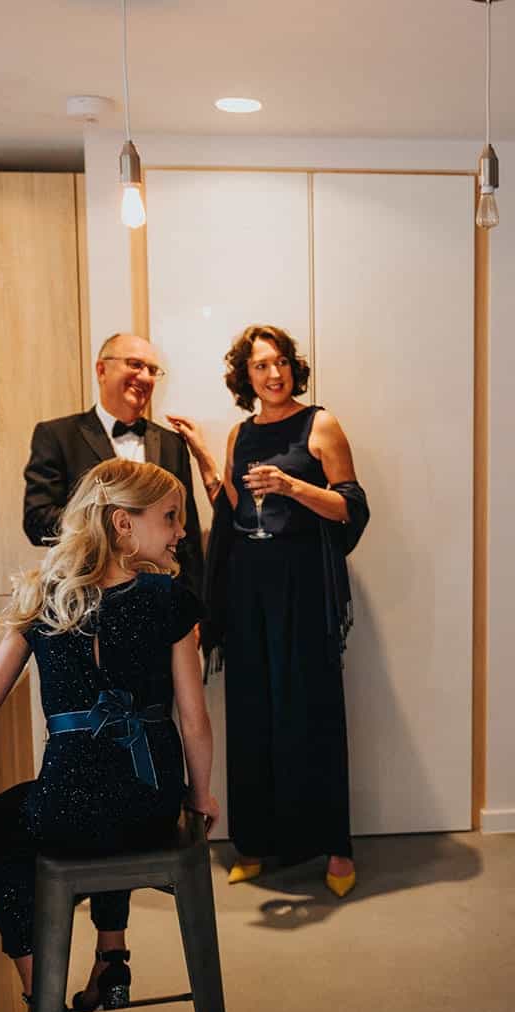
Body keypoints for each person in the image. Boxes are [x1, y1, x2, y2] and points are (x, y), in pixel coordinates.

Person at [0, 459, 217, 1012]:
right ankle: (113, 956)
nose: (181, 530)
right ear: (121, 524)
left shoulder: (44, 599)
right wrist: (200, 795)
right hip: (152, 806)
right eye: (169, 517)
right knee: (126, 798)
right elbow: (195, 720)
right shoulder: (172, 602)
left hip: (68, 811)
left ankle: (42, 1002)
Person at [183, 324, 368, 899]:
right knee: (253, 713)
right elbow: (239, 509)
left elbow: (350, 509)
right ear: (246, 376)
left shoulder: (321, 424)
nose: (274, 373)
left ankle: (336, 850)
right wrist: (209, 465)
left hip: (304, 587)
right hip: (249, 589)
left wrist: (292, 486)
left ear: (294, 368)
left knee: (313, 711)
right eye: (261, 365)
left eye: (282, 361)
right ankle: (256, 843)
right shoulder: (242, 432)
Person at [23, 334, 204, 595]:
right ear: (101, 370)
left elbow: (188, 533)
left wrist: (194, 605)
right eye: (134, 364)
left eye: (152, 370)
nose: (144, 376)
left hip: (161, 599)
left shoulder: (171, 443)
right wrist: (112, 528)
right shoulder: (57, 436)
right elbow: (36, 521)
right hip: (83, 596)